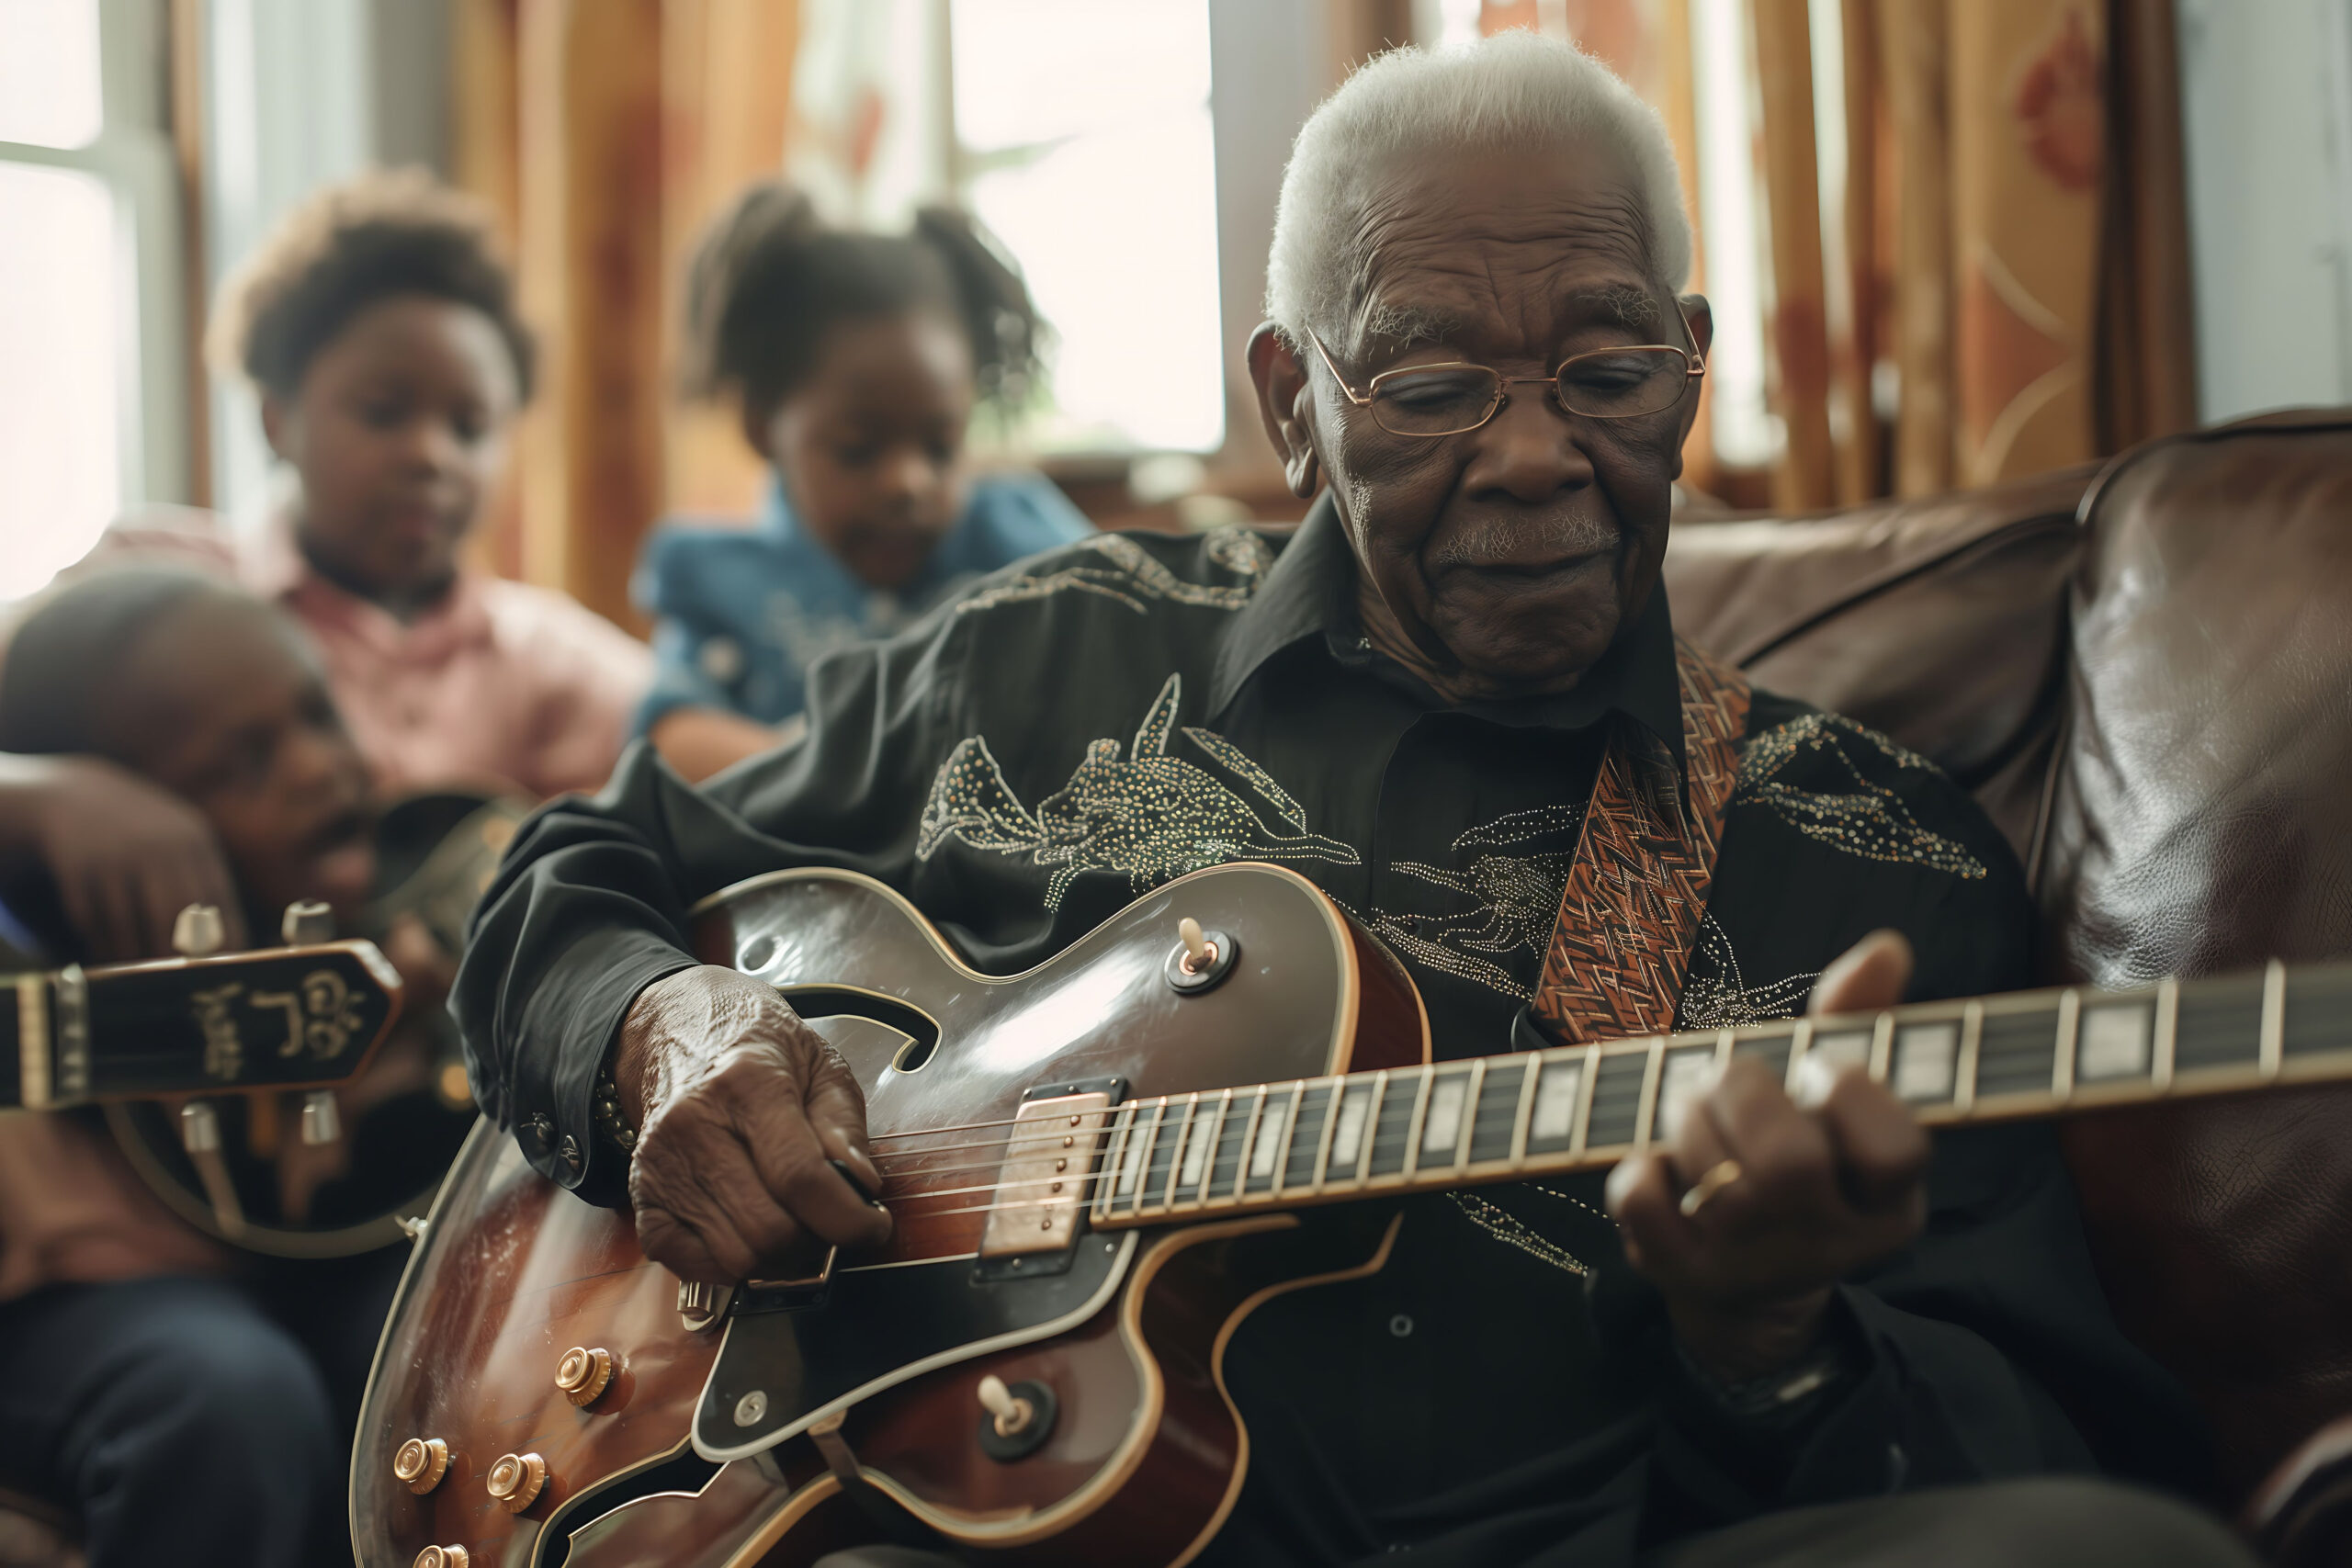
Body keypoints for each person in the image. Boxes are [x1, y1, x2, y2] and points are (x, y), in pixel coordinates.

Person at [453, 36, 2254, 1568]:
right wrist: (664, 1032)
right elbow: (578, 874)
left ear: (1690, 368)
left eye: (1607, 370)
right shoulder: (1050, 656)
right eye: (1429, 381)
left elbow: (2045, 1427)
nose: (1537, 451)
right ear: (1291, 401)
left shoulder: (1872, 861)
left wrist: (1767, 1337)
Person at [0, 569, 442, 1568]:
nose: (320, 771)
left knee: (449, 1344)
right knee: (224, 1395)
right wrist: (32, 797)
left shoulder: (397, 895)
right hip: (89, 1306)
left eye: (318, 716)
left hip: (317, 1273)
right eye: (243, 765)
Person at [125, 168, 651, 801]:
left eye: (470, 427)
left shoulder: (549, 657)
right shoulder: (156, 589)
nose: (431, 456)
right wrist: (51, 797)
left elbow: (702, 772)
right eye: (383, 410)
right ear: (278, 420)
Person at [632, 181, 1092, 782]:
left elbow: (1128, 647)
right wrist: (851, 779)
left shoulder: (1017, 540)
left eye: (940, 446)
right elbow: (672, 740)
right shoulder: (723, 579)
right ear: (761, 425)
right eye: (857, 449)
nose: (907, 482)